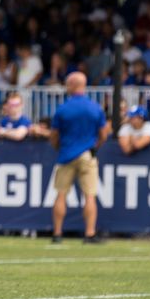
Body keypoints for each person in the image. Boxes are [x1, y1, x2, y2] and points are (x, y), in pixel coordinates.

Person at [48, 72, 110, 244]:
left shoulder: (63, 108)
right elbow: (104, 133)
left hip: (66, 155)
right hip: (87, 154)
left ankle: (57, 233)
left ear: (73, 85)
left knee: (61, 194)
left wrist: (58, 147)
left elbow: (54, 135)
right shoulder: (94, 107)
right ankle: (89, 233)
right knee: (89, 195)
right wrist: (95, 147)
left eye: (67, 84)